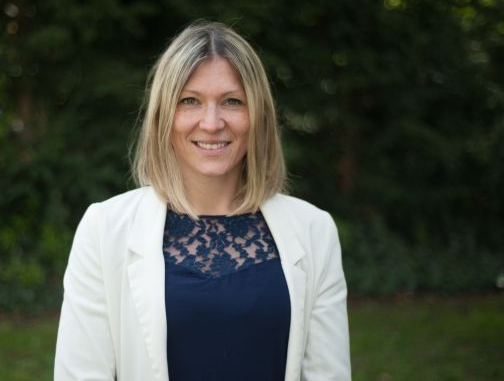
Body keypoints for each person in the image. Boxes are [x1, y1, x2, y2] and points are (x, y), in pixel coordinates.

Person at [54, 21, 351, 381]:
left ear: (258, 115)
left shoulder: (315, 231)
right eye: (190, 101)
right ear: (164, 115)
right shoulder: (104, 230)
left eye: (232, 101)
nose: (211, 123)